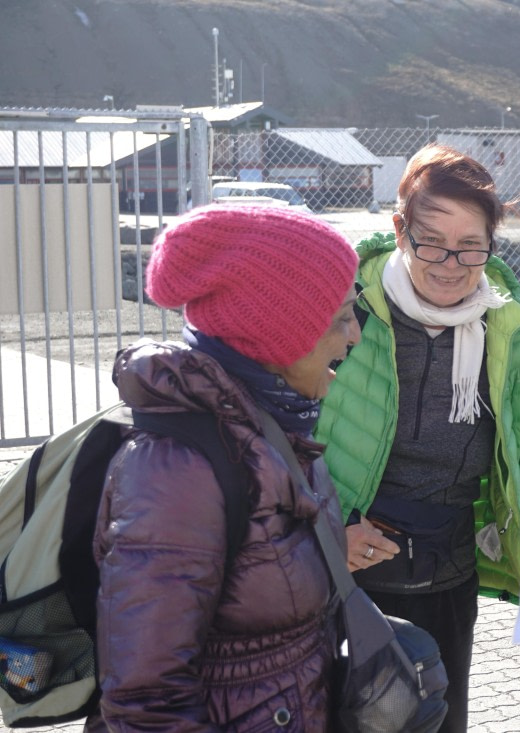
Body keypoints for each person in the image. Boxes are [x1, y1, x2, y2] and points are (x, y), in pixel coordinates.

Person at [314, 143, 520, 732]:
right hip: (336, 580)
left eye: (471, 247)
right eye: (430, 241)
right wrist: (329, 532)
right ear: (399, 228)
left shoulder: (514, 338)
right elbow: (278, 447)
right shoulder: (340, 313)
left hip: (446, 579)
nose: (450, 264)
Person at [87, 205, 360, 731]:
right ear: (279, 333)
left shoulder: (268, 426)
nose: (353, 335)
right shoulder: (178, 472)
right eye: (341, 316)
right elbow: (146, 702)